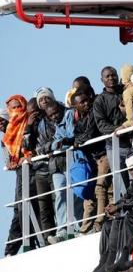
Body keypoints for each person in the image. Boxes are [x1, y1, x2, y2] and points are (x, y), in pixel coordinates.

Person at [84, 150, 133, 272]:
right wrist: (115, 205)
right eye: (130, 170)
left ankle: (125, 255)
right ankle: (104, 260)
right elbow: (127, 197)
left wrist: (118, 207)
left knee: (126, 217)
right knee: (107, 224)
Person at [71, 90, 110, 235]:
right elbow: (77, 134)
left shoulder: (94, 113)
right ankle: (84, 228)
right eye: (82, 102)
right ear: (76, 106)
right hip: (93, 159)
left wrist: (78, 140)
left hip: (104, 155)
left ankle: (99, 222)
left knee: (100, 188)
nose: (86, 103)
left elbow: (90, 133)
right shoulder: (80, 120)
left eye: (87, 100)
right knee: (88, 195)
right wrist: (75, 140)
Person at [3, 95, 37, 256]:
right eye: (12, 108)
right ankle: (11, 249)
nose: (16, 111)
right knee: (20, 208)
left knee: (28, 206)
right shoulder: (8, 133)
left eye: (18, 107)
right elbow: (9, 156)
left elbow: (31, 145)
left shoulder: (29, 122)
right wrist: (11, 162)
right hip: (21, 172)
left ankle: (29, 243)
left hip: (35, 169)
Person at [46, 101, 84, 243]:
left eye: (56, 112)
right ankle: (62, 229)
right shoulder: (54, 123)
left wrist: (55, 144)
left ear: (61, 109)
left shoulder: (69, 115)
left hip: (72, 160)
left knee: (76, 193)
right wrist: (54, 144)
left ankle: (80, 226)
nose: (54, 116)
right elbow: (54, 142)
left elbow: (70, 136)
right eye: (51, 115)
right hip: (58, 164)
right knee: (60, 195)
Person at [22, 97, 56, 243]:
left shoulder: (49, 120)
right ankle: (47, 236)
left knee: (57, 200)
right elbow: (26, 146)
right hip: (39, 169)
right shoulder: (30, 126)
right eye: (30, 113)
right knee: (44, 205)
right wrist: (29, 126)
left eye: (35, 112)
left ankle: (63, 230)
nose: (33, 115)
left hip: (54, 166)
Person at [93, 66, 129, 190]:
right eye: (107, 76)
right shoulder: (99, 101)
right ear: (101, 80)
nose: (111, 78)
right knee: (121, 180)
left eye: (113, 75)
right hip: (114, 145)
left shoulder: (126, 91)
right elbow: (101, 125)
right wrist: (119, 129)